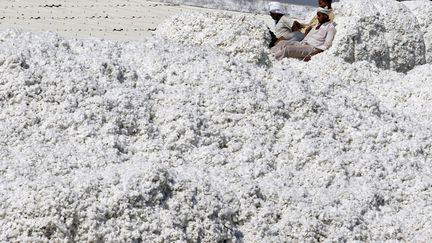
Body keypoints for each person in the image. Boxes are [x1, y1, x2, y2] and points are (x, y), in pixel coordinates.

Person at [271, 7, 336, 61]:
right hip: (304, 43)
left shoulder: (330, 28)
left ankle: (273, 60)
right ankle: (270, 53)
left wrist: (311, 55)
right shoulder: (317, 25)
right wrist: (299, 43)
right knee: (283, 42)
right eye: (317, 15)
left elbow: (326, 47)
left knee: (288, 49)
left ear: (325, 16)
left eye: (319, 15)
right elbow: (308, 37)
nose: (317, 17)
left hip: (312, 48)